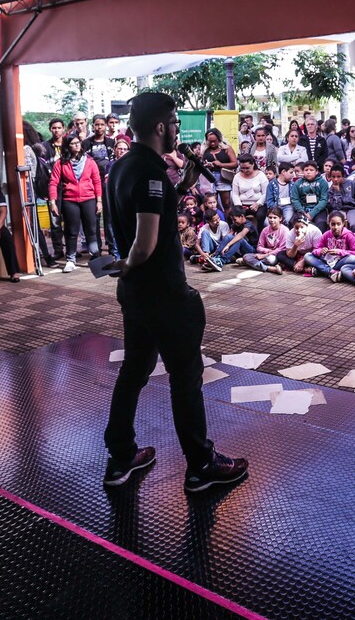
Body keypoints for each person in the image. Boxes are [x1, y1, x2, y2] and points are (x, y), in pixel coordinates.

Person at [102, 91, 247, 492]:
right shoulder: (150, 172)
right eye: (176, 124)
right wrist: (129, 263)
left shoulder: (121, 167)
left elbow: (149, 216)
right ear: (160, 126)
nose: (178, 131)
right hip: (164, 293)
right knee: (185, 378)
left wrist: (182, 187)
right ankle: (201, 465)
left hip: (135, 293)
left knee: (134, 371)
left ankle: (120, 456)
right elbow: (145, 243)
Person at [50, 135, 104, 272]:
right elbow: (53, 183)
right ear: (67, 146)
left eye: (78, 142)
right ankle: (71, 260)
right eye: (73, 143)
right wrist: (53, 201)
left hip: (89, 198)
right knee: (71, 231)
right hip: (70, 200)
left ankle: (95, 256)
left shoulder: (89, 161)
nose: (77, 145)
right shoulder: (60, 163)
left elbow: (97, 181)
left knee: (91, 230)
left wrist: (99, 200)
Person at [306, 211, 355, 280]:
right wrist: (321, 251)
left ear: (343, 223)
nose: (336, 227)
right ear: (329, 224)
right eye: (333, 224)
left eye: (338, 224)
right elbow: (315, 250)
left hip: (340, 262)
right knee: (307, 256)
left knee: (353, 259)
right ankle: (331, 272)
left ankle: (322, 271)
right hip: (327, 261)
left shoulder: (349, 235)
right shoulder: (326, 234)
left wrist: (339, 252)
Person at [202, 128, 238, 214]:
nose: (212, 143)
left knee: (226, 204)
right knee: (210, 204)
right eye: (210, 141)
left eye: (214, 141)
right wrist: (207, 165)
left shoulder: (227, 149)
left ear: (219, 139)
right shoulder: (205, 150)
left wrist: (221, 164)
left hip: (223, 178)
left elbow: (235, 163)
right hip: (209, 178)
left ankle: (227, 220)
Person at [243, 207, 289, 274]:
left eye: (275, 218)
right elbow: (259, 247)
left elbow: (282, 249)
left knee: (270, 259)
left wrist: (265, 255)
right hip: (265, 254)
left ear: (280, 218)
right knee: (246, 256)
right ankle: (270, 268)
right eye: (270, 217)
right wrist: (267, 251)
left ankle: (250, 263)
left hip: (275, 256)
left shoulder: (285, 230)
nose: (272, 220)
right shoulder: (265, 230)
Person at [231, 154, 269, 228]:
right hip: (242, 204)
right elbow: (235, 194)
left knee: (260, 216)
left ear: (253, 164)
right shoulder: (237, 177)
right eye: (242, 168)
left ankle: (259, 233)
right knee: (234, 216)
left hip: (258, 204)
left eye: (247, 168)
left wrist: (258, 204)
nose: (245, 170)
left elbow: (265, 193)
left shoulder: (261, 175)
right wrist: (239, 206)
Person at [292, 160, 331, 230]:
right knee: (292, 222)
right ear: (303, 171)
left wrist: (312, 213)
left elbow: (324, 200)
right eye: (306, 170)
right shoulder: (297, 183)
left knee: (321, 222)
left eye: (311, 170)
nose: (308, 172)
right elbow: (295, 199)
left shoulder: (323, 183)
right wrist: (302, 211)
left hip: (318, 209)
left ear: (316, 172)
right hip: (302, 209)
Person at [325, 165, 355, 229]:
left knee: (354, 224)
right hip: (338, 210)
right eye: (333, 177)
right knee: (335, 224)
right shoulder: (331, 190)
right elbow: (336, 207)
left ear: (343, 176)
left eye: (338, 177)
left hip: (352, 209)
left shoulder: (351, 183)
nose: (336, 179)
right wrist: (337, 192)